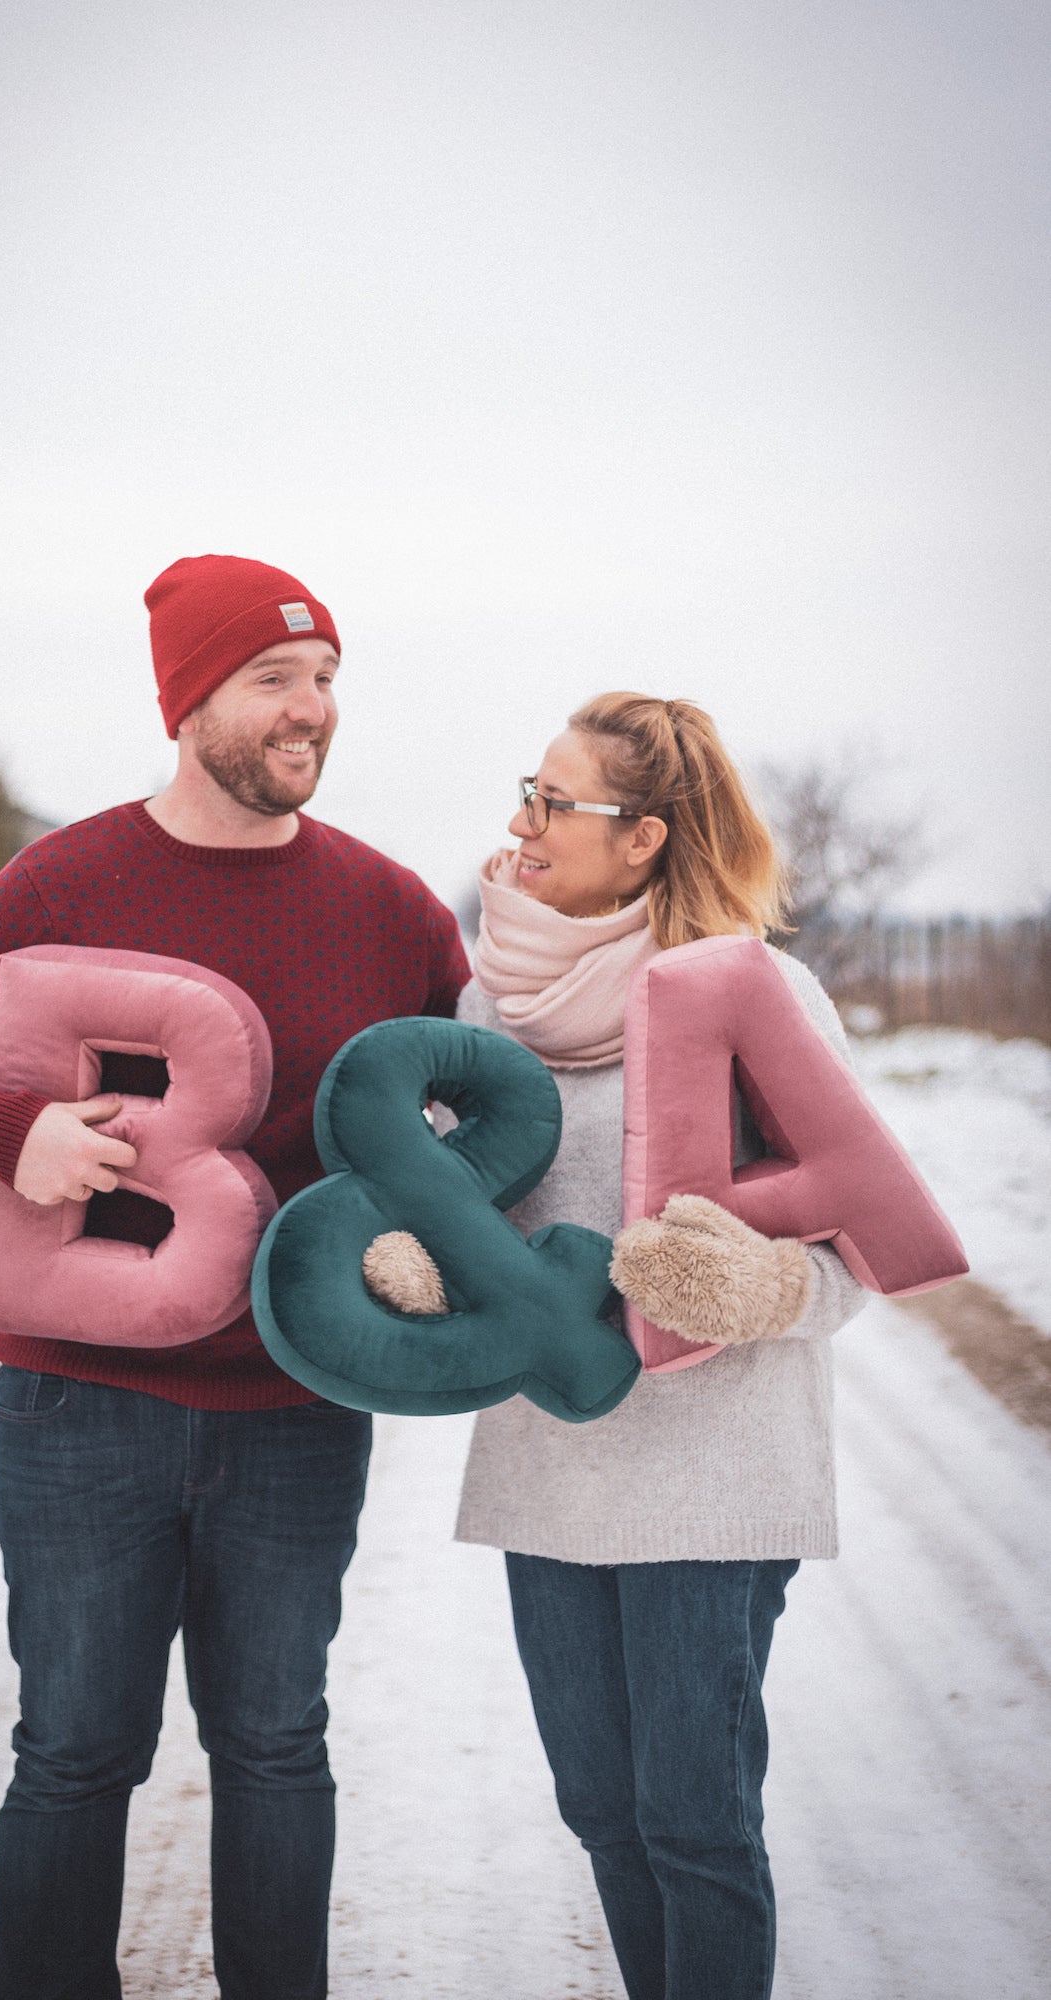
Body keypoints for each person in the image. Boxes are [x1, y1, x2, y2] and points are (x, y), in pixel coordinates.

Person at [0, 553, 469, 2000]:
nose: (309, 710)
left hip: (297, 1405)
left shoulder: (389, 911)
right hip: (82, 1413)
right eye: (273, 680)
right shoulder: (60, 883)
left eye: (324, 681)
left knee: (274, 1745)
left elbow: (494, 1111)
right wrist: (16, 1133)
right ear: (189, 702)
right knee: (73, 1750)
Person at [450, 695, 865, 2000]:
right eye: (525, 788)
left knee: (693, 1823)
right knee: (601, 1810)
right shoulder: (487, 1003)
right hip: (548, 1462)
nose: (517, 823)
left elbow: (858, 1252)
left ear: (639, 839)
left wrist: (760, 1288)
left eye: (549, 801)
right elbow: (457, 1209)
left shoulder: (758, 997)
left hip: (712, 1477)